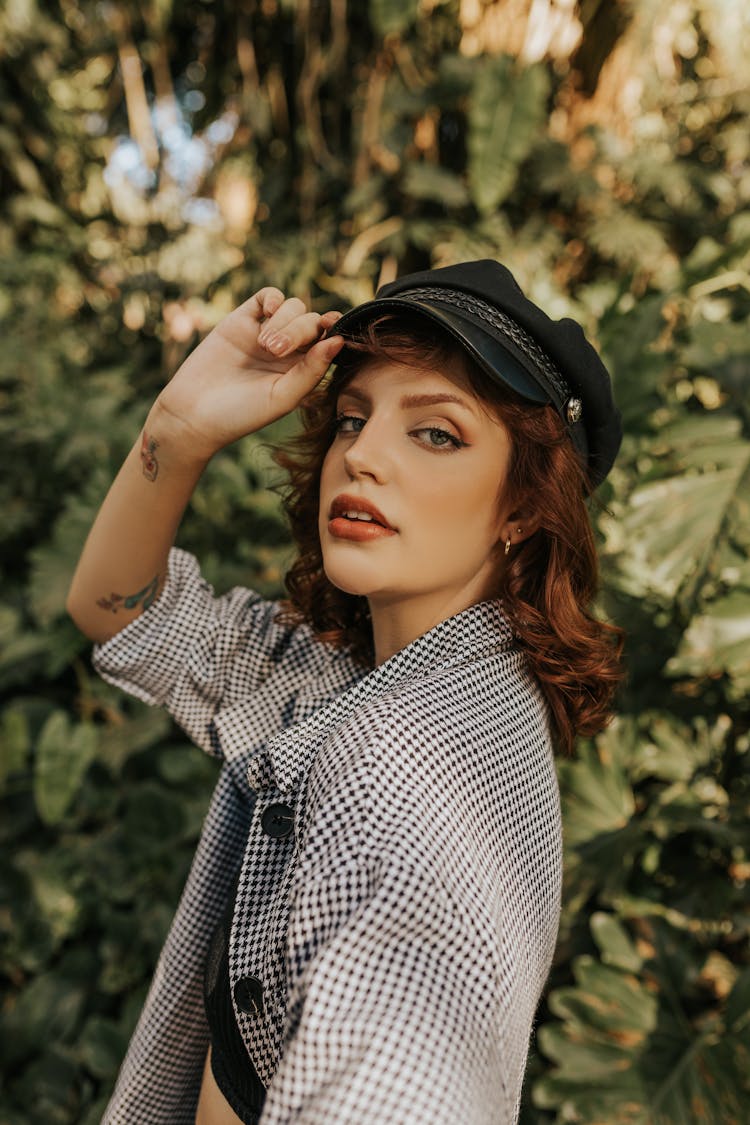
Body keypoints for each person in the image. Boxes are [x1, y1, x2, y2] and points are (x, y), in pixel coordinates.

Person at [67, 259, 624, 1125]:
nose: (362, 454)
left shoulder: (401, 769)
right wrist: (179, 430)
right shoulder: (360, 672)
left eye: (436, 433)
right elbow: (118, 612)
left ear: (523, 506)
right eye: (354, 419)